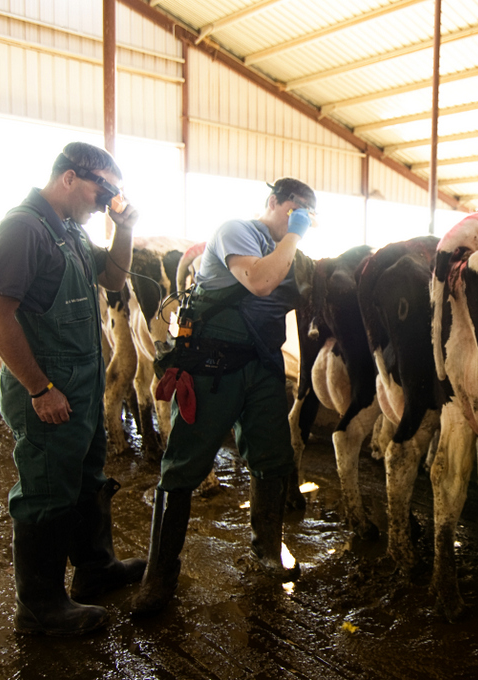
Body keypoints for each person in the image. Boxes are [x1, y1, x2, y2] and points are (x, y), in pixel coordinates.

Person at [0, 142, 144, 636]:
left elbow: (114, 277)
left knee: (87, 481)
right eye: (103, 190)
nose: (105, 202)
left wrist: (126, 229)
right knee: (46, 493)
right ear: (69, 178)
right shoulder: (23, 229)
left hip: (83, 390)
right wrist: (38, 388)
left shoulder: (68, 231)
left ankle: (96, 569)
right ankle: (39, 607)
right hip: (49, 394)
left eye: (114, 194)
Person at [131, 178, 314, 616]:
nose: (301, 217)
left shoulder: (291, 251)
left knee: (273, 456)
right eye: (294, 207)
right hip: (213, 368)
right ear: (272, 202)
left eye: (308, 213)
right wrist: (295, 233)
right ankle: (159, 578)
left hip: (263, 369)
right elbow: (260, 280)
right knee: (183, 466)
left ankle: (267, 549)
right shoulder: (237, 230)